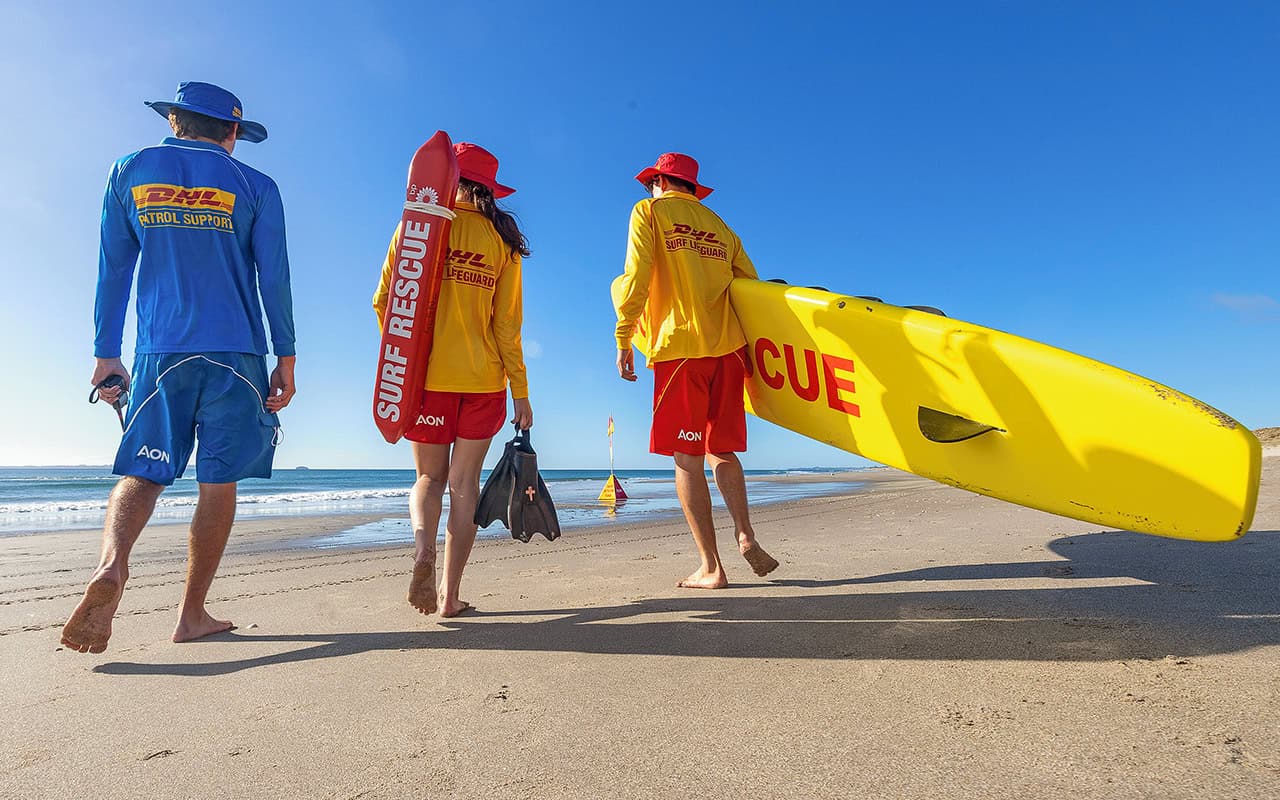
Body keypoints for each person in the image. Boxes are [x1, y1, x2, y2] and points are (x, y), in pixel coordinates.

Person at [61, 82, 297, 653]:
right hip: (236, 354)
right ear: (232, 131)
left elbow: (113, 269)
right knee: (218, 481)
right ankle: (191, 614)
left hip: (159, 351)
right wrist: (285, 357)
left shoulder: (130, 170)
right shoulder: (256, 185)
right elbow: (275, 278)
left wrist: (105, 353)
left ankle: (112, 565)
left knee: (143, 471)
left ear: (174, 120)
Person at [373, 142, 532, 618]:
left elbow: (385, 302)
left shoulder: (419, 227)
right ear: (490, 189)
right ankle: (449, 596)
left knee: (428, 477)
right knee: (464, 485)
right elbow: (507, 326)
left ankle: (423, 549)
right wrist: (520, 392)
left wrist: (405, 361)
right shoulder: (503, 242)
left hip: (426, 381)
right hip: (483, 381)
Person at [613, 152, 779, 589]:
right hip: (729, 350)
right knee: (722, 450)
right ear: (692, 186)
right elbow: (750, 288)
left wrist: (624, 335)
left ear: (660, 182)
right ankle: (745, 533)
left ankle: (711, 566)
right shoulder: (721, 227)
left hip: (680, 350)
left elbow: (637, 275)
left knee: (687, 459)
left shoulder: (649, 212)